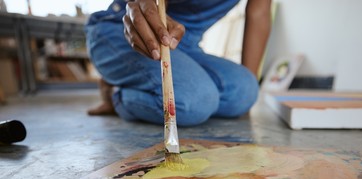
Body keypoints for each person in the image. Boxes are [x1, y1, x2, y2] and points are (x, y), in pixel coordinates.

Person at [86, 0, 272, 126]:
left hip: (185, 44)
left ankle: (144, 84)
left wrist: (249, 91)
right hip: (122, 30)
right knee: (193, 103)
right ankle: (117, 95)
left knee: (245, 93)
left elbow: (260, 12)